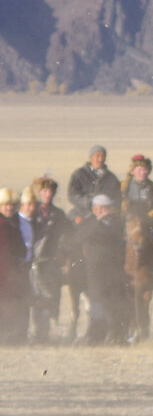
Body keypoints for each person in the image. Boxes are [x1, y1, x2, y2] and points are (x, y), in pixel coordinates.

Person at [79, 193, 129, 344]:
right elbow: (79, 238)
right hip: (95, 272)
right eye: (102, 208)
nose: (105, 211)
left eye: (107, 208)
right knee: (97, 306)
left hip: (113, 272)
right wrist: (97, 221)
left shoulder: (116, 224)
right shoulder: (88, 222)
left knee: (115, 305)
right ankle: (94, 338)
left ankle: (116, 336)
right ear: (94, 208)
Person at [29, 176, 69, 342]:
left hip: (51, 262)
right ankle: (36, 333)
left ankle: (43, 334)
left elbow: (67, 235)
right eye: (44, 191)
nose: (47, 194)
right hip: (32, 262)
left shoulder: (58, 214)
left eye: (50, 191)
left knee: (50, 298)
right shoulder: (31, 212)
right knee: (35, 297)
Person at [0, 188, 29, 343]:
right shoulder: (4, 224)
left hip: (11, 273)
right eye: (5, 205)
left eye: (11, 205)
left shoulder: (14, 223)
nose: (9, 208)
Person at [67, 145, 122, 218]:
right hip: (82, 213)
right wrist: (89, 202)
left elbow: (117, 198)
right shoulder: (79, 174)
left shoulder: (111, 178)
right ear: (90, 158)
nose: (100, 159)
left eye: (103, 156)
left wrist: (106, 207)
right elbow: (72, 195)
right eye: (97, 156)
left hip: (105, 215)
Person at [121, 154, 153, 221]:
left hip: (147, 221)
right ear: (132, 171)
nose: (142, 173)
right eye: (139, 170)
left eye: (145, 170)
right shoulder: (124, 185)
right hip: (126, 221)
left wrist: (148, 218)